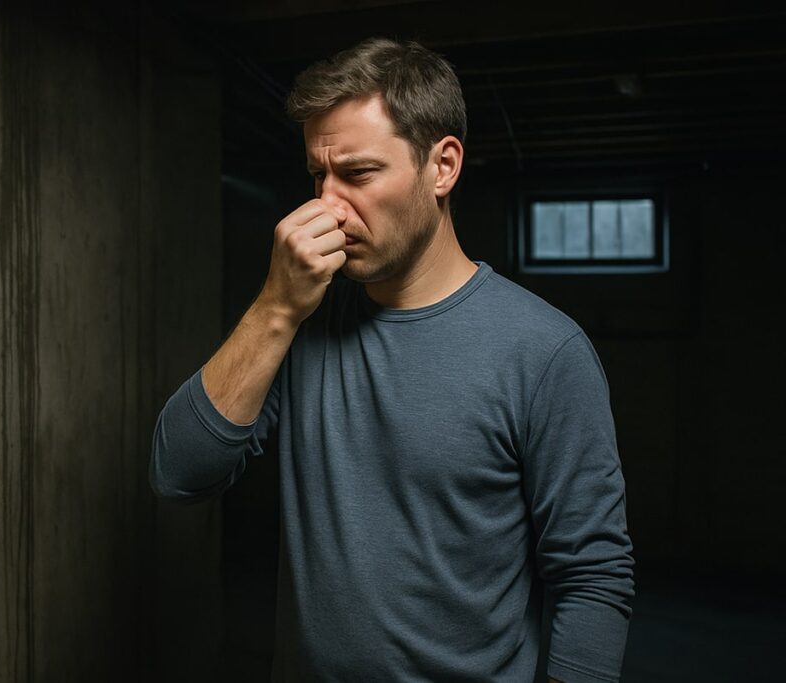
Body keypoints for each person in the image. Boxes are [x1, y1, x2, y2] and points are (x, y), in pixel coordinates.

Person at [150, 37, 634, 683]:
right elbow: (179, 473)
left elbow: (593, 575)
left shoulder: (545, 351)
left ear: (443, 167)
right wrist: (275, 309)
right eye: (317, 176)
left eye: (357, 174)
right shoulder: (300, 319)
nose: (327, 205)